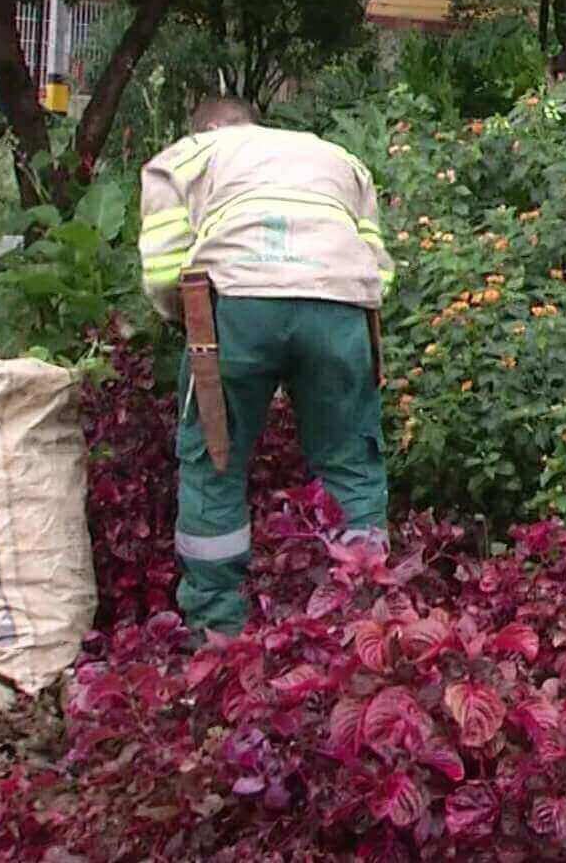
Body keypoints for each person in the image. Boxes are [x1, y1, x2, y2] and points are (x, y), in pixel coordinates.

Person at [137, 96, 396, 640]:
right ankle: (359, 619)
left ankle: (216, 629)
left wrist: (182, 321)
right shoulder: (336, 157)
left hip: (236, 306)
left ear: (206, 129)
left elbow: (163, 267)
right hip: (339, 307)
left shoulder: (187, 155)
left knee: (215, 461)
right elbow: (377, 265)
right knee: (351, 461)